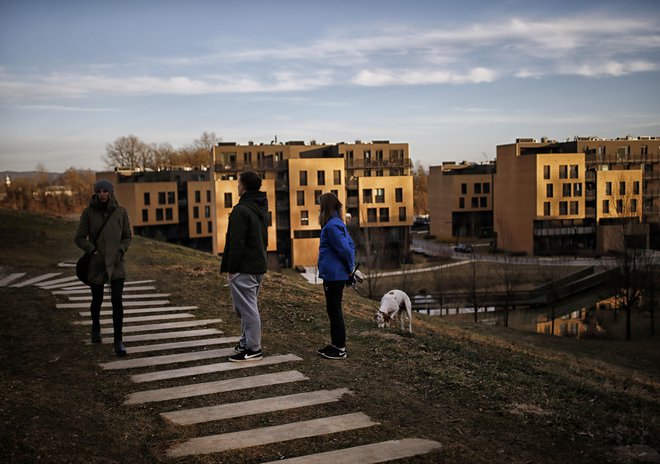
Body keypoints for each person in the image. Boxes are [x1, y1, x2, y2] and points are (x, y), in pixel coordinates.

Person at [74, 179, 132, 357]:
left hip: (116, 264)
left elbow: (127, 236)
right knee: (97, 299)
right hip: (97, 264)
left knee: (117, 300)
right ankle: (96, 327)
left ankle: (118, 341)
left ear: (111, 193)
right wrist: (92, 250)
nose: (102, 194)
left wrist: (120, 251)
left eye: (105, 191)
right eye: (99, 191)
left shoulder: (121, 212)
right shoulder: (88, 213)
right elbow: (79, 237)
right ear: (96, 193)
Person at [220, 171, 269, 362]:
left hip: (244, 267)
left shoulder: (241, 210)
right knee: (246, 307)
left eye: (239, 182)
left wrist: (231, 268)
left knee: (247, 309)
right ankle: (246, 342)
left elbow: (236, 242)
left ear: (244, 186)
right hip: (257, 265)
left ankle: (254, 348)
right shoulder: (260, 207)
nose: (237, 186)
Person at [317, 192, 355, 360]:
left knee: (334, 310)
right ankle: (335, 345)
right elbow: (351, 245)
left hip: (334, 276)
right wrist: (348, 269)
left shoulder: (332, 226)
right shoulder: (337, 223)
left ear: (325, 206)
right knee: (333, 310)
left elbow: (346, 249)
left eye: (320, 206)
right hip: (335, 274)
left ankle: (339, 348)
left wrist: (349, 269)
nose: (319, 209)